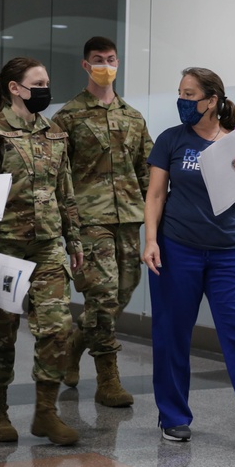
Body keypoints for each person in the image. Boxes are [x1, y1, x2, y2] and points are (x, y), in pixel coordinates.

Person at [141, 66, 235, 448]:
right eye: (180, 93)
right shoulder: (171, 140)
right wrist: (151, 240)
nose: (183, 101)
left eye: (190, 94)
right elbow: (156, 194)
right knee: (172, 333)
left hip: (229, 253)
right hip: (177, 249)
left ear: (213, 100)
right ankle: (173, 417)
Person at [0, 56, 84, 446]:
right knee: (3, 333)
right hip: (5, 249)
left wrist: (75, 241)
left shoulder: (55, 132)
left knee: (58, 329)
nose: (45, 90)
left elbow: (65, 190)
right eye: (38, 83)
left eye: (47, 82)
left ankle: (45, 413)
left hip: (48, 246)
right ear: (14, 88)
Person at [52, 36, 152, 406]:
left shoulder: (133, 117)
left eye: (111, 59)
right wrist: (67, 225)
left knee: (123, 291)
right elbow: (58, 175)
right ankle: (108, 377)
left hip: (128, 218)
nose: (105, 65)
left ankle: (77, 342)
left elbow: (146, 171)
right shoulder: (68, 116)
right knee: (103, 293)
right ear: (85, 65)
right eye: (98, 59)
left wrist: (155, 221)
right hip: (89, 220)